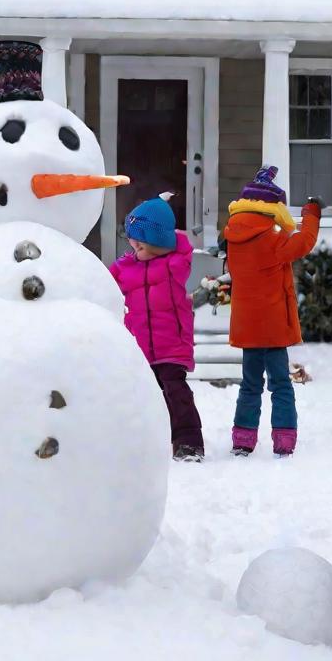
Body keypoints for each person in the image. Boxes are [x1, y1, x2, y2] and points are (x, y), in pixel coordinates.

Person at [223, 165, 322, 457]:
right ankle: (284, 439)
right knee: (280, 385)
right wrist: (312, 214)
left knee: (250, 385)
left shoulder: (232, 237)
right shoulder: (272, 239)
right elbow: (304, 242)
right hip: (274, 326)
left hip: (247, 325)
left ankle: (243, 439)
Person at [109, 194, 204, 462]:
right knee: (142, 396)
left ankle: (188, 441)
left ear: (161, 242)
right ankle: (146, 443)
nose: (135, 245)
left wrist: (161, 224)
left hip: (171, 346)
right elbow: (101, 285)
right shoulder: (124, 268)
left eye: (142, 241)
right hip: (139, 348)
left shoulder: (175, 264)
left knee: (176, 393)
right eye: (133, 240)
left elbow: (183, 248)